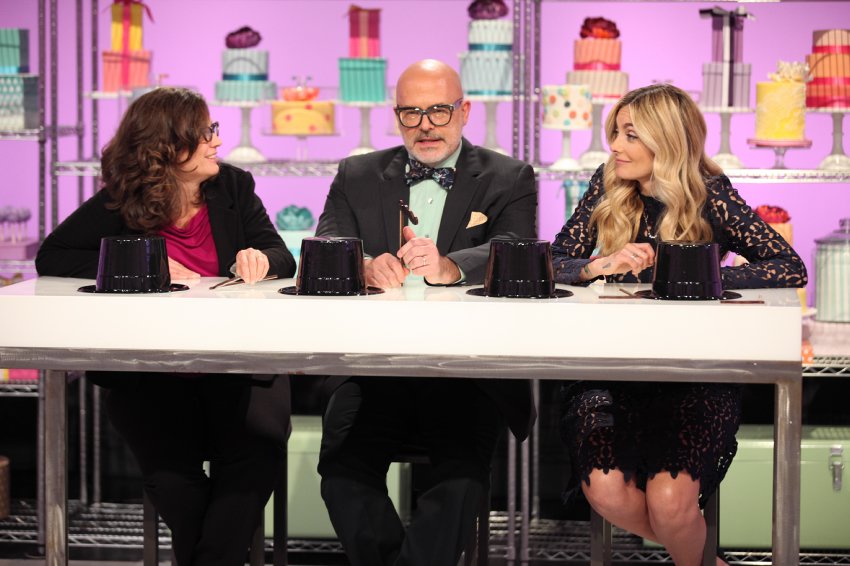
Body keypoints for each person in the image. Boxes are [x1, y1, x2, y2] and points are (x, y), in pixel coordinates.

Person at [35, 87, 296, 566]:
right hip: (150, 372)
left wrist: (261, 259)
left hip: (238, 365)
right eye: (205, 132)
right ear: (168, 147)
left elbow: (281, 254)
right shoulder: (123, 200)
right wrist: (138, 262)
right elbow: (52, 255)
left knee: (255, 459)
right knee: (174, 481)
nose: (217, 141)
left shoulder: (234, 186)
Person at [551, 83, 807, 566]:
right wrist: (598, 265)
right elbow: (554, 260)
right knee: (607, 491)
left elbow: (788, 266)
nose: (615, 146)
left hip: (694, 373)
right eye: (615, 132)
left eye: (631, 135)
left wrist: (698, 275)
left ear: (666, 140)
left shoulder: (712, 194)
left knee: (670, 505)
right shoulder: (607, 186)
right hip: (611, 371)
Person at [315, 59, 537, 566]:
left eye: (439, 110)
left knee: (460, 482)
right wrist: (363, 267)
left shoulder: (509, 177)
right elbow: (328, 245)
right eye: (411, 113)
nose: (425, 125)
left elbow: (516, 249)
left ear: (465, 111)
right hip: (373, 367)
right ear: (396, 115)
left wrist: (450, 267)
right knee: (342, 477)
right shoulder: (357, 173)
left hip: (467, 369)